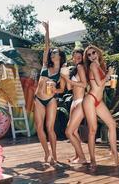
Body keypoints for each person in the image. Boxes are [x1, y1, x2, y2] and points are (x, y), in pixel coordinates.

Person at [34, 21, 66, 164]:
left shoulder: (62, 72)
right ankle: (46, 153)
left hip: (51, 100)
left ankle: (54, 154)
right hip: (38, 99)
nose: (52, 53)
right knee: (39, 128)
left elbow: (62, 89)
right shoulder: (45, 65)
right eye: (52, 53)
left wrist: (55, 89)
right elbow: (46, 46)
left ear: (60, 56)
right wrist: (47, 30)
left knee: (50, 128)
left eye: (55, 52)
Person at [82, 45, 119, 169]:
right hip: (90, 100)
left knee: (112, 124)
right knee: (93, 129)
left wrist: (111, 79)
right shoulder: (93, 66)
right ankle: (93, 160)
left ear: (98, 52)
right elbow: (99, 83)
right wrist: (109, 73)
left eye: (93, 53)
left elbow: (104, 84)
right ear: (87, 57)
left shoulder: (99, 66)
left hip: (98, 101)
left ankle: (115, 155)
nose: (92, 56)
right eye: (89, 55)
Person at [61, 42, 87, 164]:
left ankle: (82, 157)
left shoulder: (81, 67)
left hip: (81, 102)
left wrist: (67, 79)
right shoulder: (74, 69)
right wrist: (65, 75)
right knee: (74, 131)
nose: (76, 60)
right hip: (74, 101)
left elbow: (84, 84)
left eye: (79, 58)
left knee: (68, 131)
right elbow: (70, 88)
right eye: (74, 57)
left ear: (82, 58)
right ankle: (77, 156)